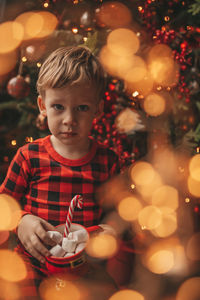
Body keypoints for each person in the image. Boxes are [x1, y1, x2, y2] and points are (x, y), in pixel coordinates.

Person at [0, 46, 121, 299]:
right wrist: (21, 220)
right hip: (33, 262)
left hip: (84, 266)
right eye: (58, 107)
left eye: (82, 108)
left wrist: (110, 230)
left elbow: (118, 216)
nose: (69, 119)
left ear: (98, 110)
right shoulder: (29, 156)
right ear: (42, 106)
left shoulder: (107, 162)